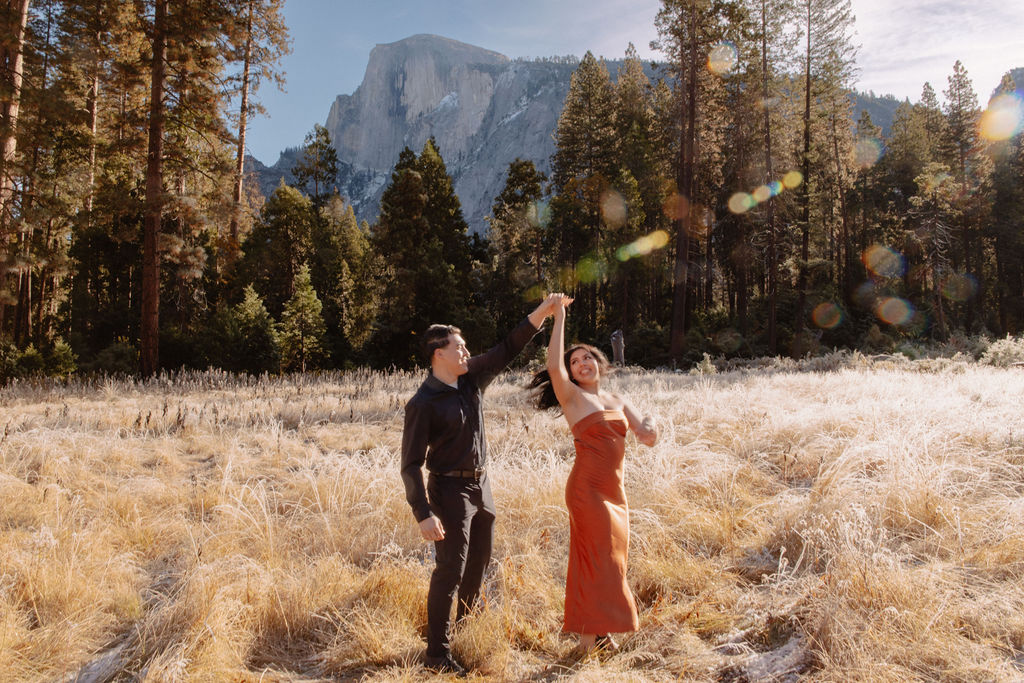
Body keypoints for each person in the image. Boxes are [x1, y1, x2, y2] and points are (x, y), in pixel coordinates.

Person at [401, 293, 564, 675]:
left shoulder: (471, 377)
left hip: (482, 488)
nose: (466, 352)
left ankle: (466, 632)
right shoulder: (422, 403)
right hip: (449, 492)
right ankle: (437, 656)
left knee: (478, 565)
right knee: (449, 571)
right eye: (459, 347)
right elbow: (409, 466)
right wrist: (423, 513)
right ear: (437, 353)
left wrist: (544, 312)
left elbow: (508, 347)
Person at [529, 296, 657, 656]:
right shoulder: (571, 398)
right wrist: (559, 317)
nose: (581, 363)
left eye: (586, 357)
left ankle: (599, 634)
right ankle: (588, 643)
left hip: (615, 493)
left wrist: (651, 425)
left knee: (613, 559)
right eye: (575, 361)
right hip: (587, 491)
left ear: (598, 362)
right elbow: (553, 366)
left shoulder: (618, 400)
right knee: (594, 560)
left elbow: (646, 437)